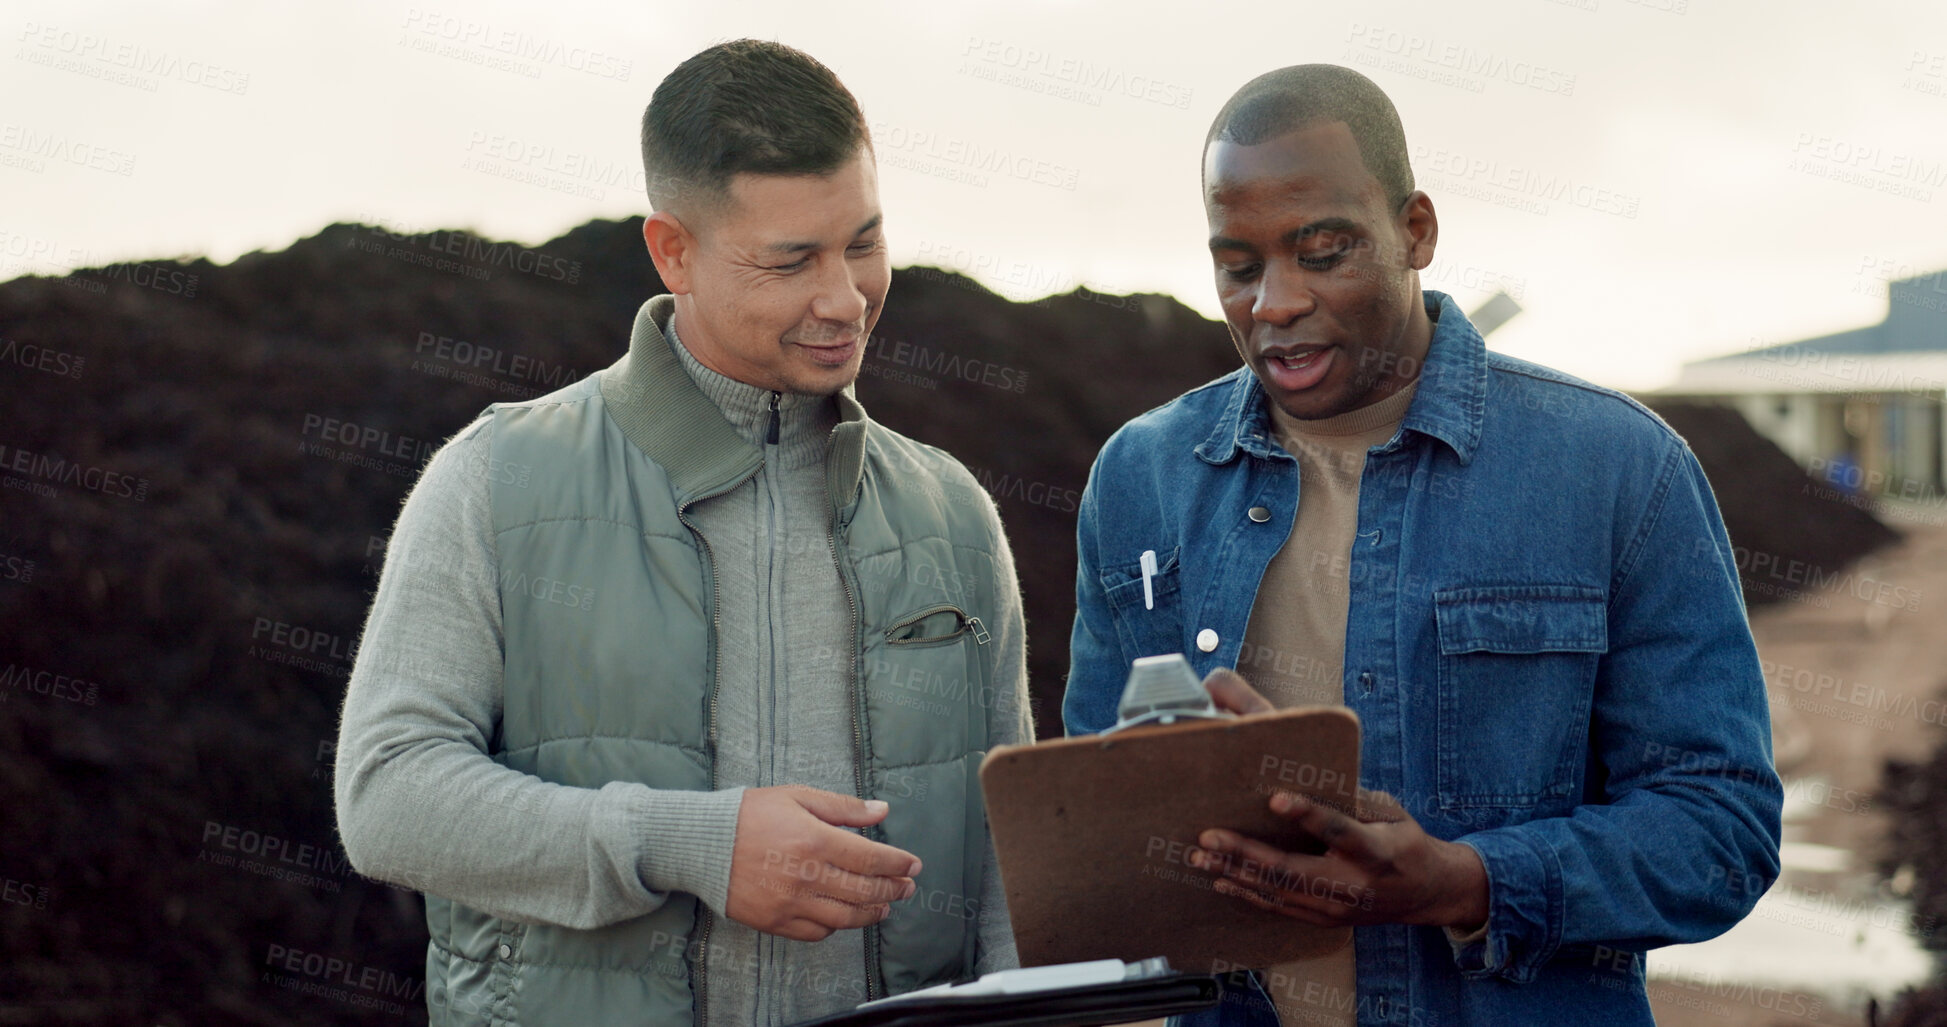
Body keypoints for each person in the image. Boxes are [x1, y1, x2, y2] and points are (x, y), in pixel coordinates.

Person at [1063, 64, 1780, 1026]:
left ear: (1416, 231)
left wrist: (1462, 882)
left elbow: (1720, 826)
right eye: (1239, 266)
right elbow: (1095, 816)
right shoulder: (1141, 477)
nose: (1273, 302)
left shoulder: (1619, 469)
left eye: (1321, 252)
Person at [335, 39, 1032, 1026]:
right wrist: (690, 843)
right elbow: (387, 797)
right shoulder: (496, 480)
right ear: (674, 251)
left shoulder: (952, 513)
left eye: (863, 242)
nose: (844, 298)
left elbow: (1009, 870)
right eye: (790, 260)